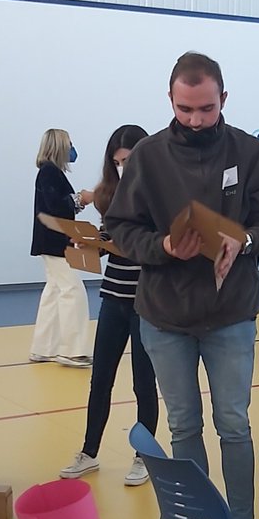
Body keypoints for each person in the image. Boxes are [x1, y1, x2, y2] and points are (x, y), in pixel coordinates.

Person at [104, 52, 259, 519]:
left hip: (230, 315)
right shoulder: (148, 156)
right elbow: (119, 228)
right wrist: (160, 246)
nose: (196, 120)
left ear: (223, 99)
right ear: (171, 100)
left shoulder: (249, 154)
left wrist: (243, 240)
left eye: (205, 108)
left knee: (233, 423)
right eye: (185, 110)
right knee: (183, 426)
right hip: (164, 316)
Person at [60, 125, 157, 487]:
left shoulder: (158, 192)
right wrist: (91, 242)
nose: (121, 167)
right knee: (100, 377)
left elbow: (157, 242)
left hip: (146, 299)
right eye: (116, 161)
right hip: (114, 295)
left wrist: (124, 242)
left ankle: (144, 455)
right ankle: (89, 451)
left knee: (143, 382)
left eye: (128, 160)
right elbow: (110, 238)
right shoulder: (109, 194)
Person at [29, 128, 93, 367]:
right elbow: (56, 206)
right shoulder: (49, 173)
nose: (72, 149)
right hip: (56, 242)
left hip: (49, 241)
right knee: (72, 291)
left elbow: (55, 206)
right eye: (69, 144)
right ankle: (72, 351)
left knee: (54, 291)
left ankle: (44, 347)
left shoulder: (49, 173)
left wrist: (77, 202)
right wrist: (80, 198)